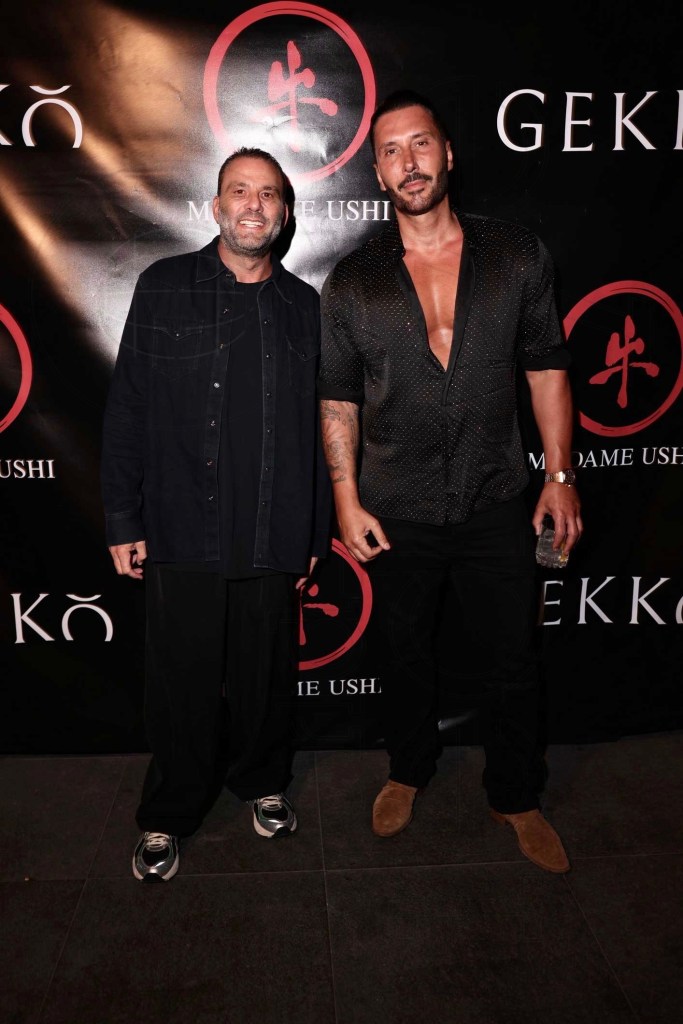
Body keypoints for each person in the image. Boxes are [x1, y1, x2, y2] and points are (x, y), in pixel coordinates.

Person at [318, 90, 582, 873]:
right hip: (395, 507)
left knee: (511, 658)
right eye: (392, 151)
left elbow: (546, 370)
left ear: (448, 154)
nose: (409, 162)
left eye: (421, 144)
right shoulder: (353, 281)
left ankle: (515, 794)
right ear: (377, 171)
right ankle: (408, 769)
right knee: (404, 654)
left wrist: (559, 476)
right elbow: (337, 402)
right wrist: (344, 498)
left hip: (496, 495)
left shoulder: (515, 255)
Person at [101, 147, 331, 881]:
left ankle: (262, 782)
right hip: (177, 525)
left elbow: (320, 426)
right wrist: (121, 519)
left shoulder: (304, 307)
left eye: (269, 194)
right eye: (240, 191)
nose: (254, 205)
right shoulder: (163, 287)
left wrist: (312, 529)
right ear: (216, 206)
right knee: (181, 683)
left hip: (271, 525)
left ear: (286, 214)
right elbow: (127, 410)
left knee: (266, 677)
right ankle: (169, 813)